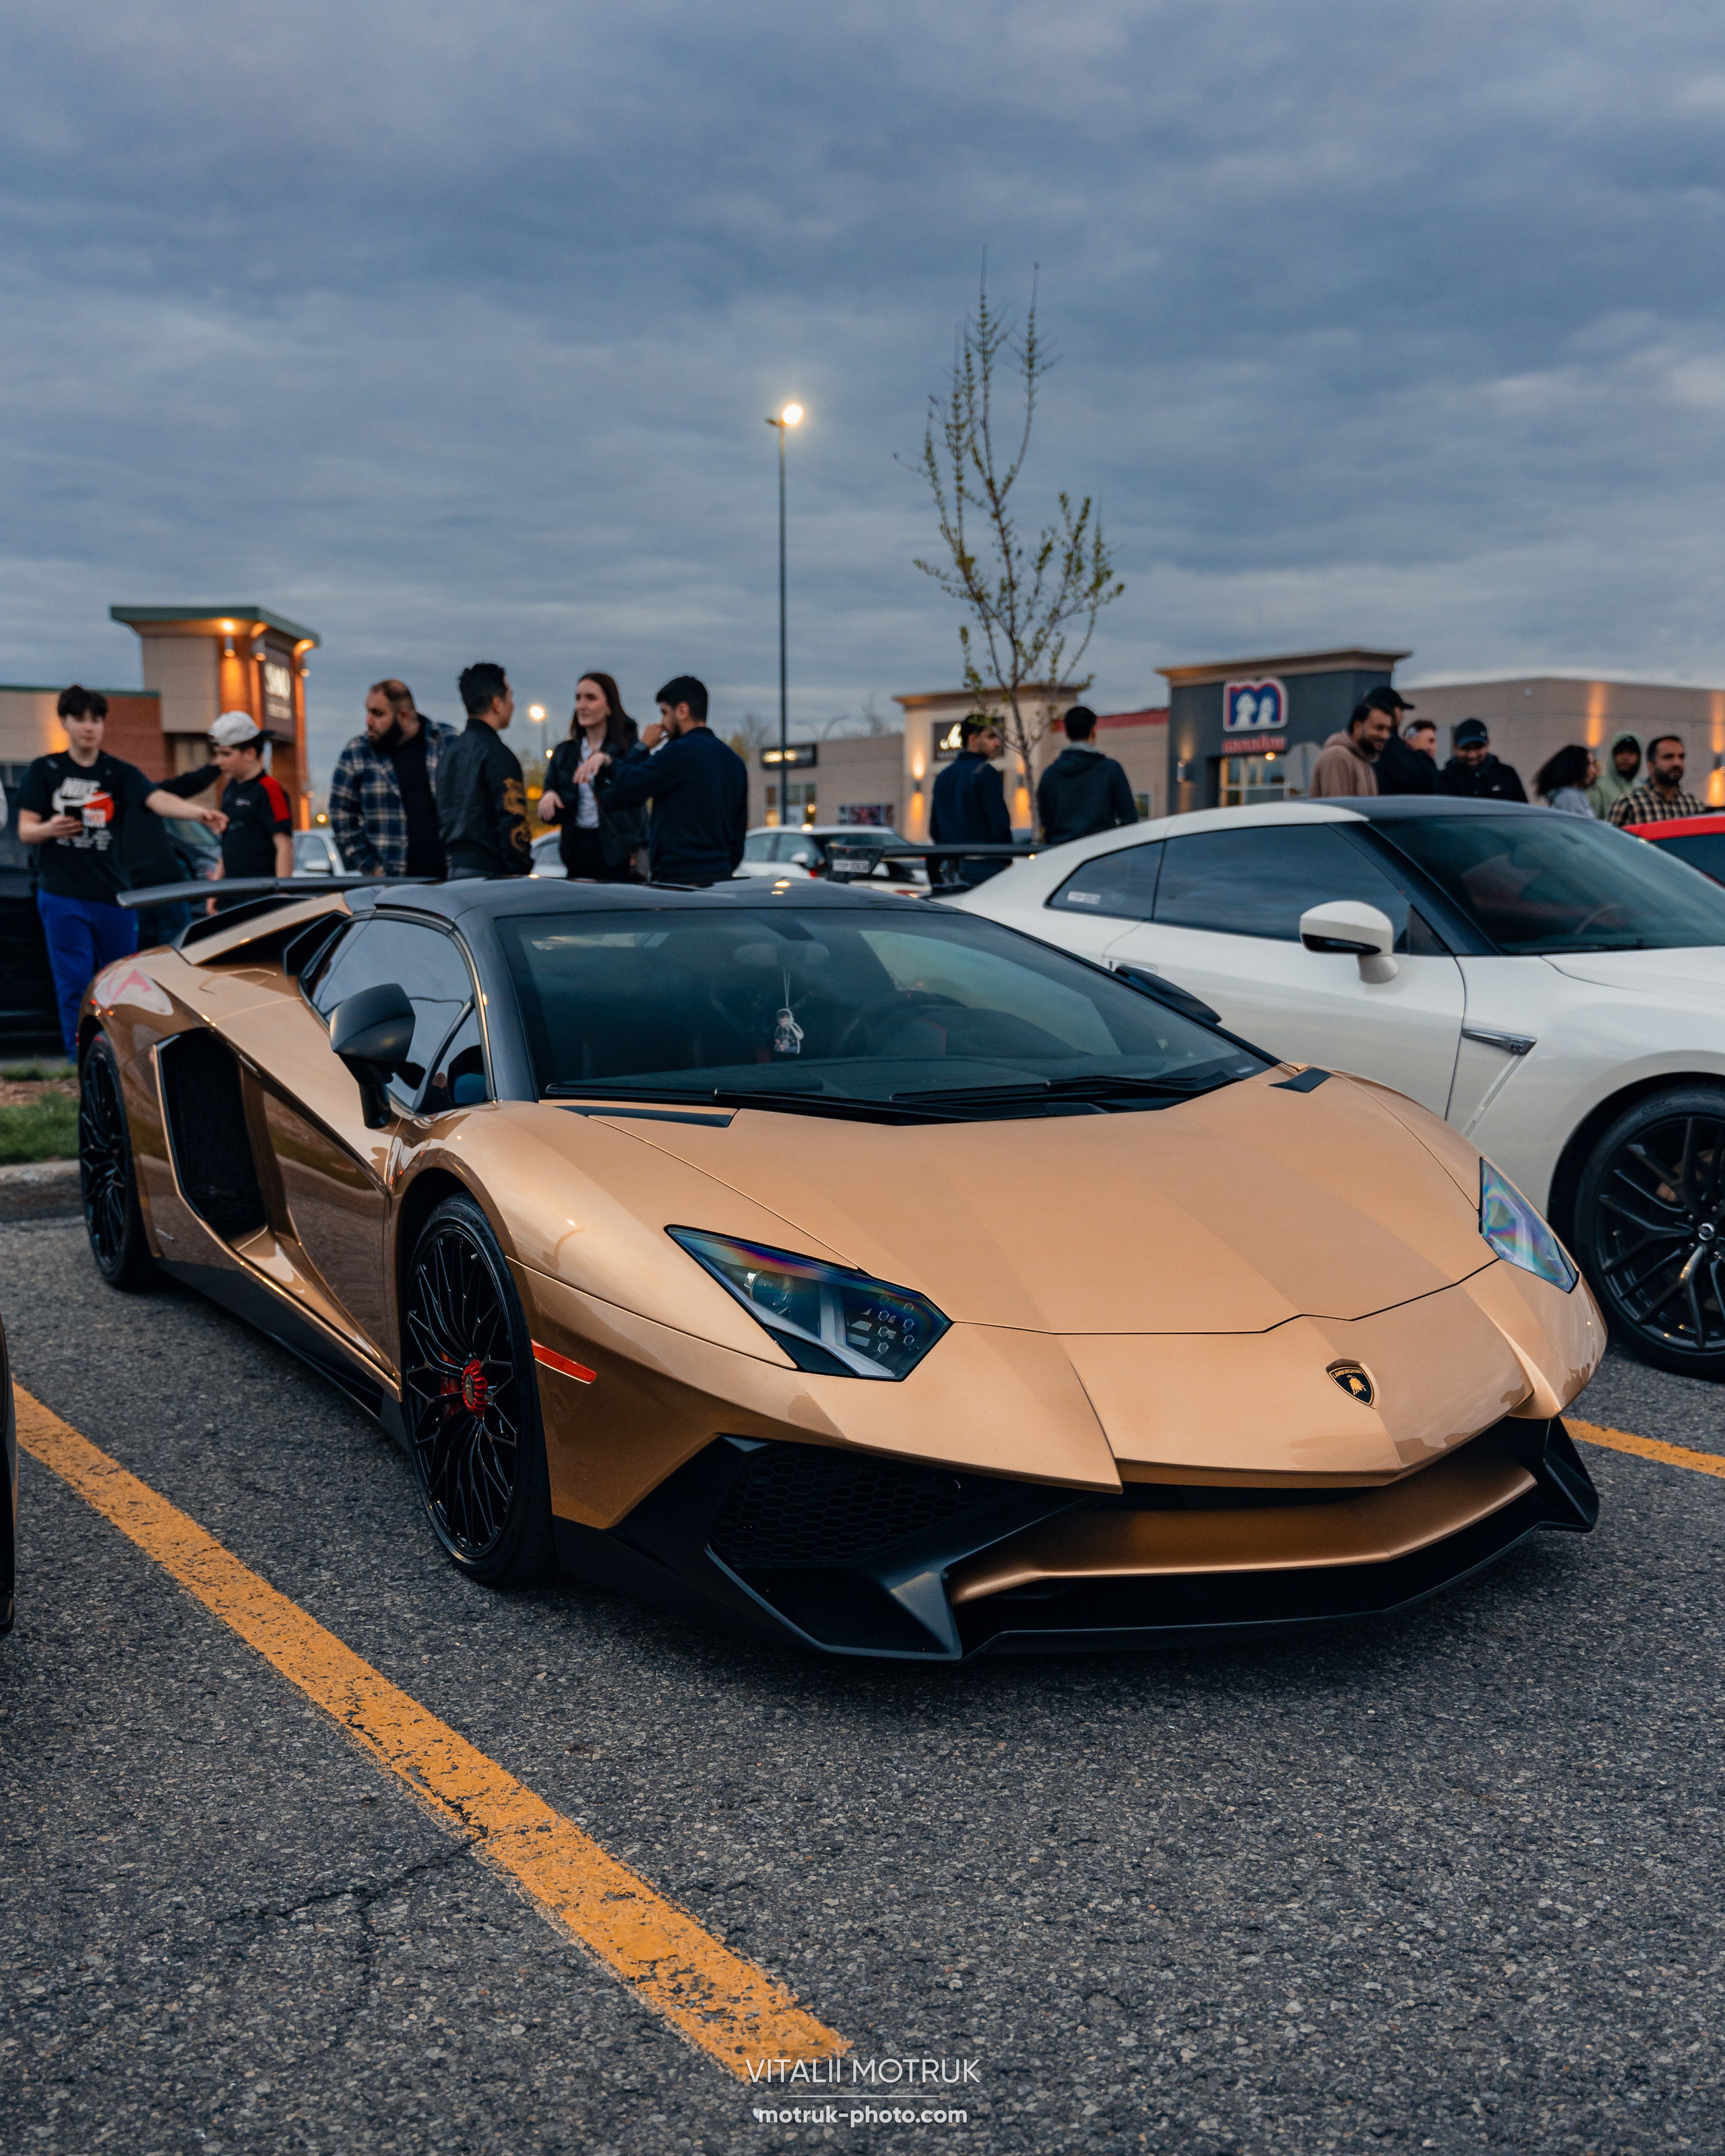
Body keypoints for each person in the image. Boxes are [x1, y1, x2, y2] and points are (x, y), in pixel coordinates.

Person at [16, 685, 225, 1058]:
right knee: (74, 982)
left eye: (96, 719)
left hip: (111, 895)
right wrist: (51, 829)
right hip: (62, 895)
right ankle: (78, 1059)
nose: (89, 727)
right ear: (64, 721)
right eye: (80, 718)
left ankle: (122, 1059)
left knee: (118, 983)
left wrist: (199, 813)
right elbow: (25, 829)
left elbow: (155, 798)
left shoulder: (118, 772)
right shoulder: (45, 770)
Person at [588, 676, 747, 887]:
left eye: (664, 713)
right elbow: (738, 834)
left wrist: (642, 747)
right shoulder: (734, 762)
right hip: (721, 878)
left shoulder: (676, 754)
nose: (661, 723)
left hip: (677, 879)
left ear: (682, 711)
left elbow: (625, 787)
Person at [327, 678, 458, 879]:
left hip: (451, 880)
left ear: (404, 716)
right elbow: (341, 815)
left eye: (377, 713)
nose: (368, 721)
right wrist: (371, 868)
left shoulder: (447, 741)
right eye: (368, 711)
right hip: (391, 887)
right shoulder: (357, 753)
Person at [538, 672, 646, 880]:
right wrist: (549, 797)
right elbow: (553, 795)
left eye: (591, 698)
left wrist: (606, 761)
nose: (582, 705)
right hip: (577, 851)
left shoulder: (628, 750)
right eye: (578, 698)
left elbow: (637, 790)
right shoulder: (564, 753)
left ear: (609, 707)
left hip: (619, 855)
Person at [437, 663, 533, 880]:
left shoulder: (449, 755)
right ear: (497, 703)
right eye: (510, 697)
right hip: (491, 876)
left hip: (454, 872)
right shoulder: (499, 755)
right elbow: (513, 826)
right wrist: (521, 870)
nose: (513, 705)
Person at [200, 714, 295, 906]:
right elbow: (228, 845)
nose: (218, 761)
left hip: (261, 897)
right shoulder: (230, 790)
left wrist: (282, 898)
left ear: (250, 753)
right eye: (217, 754)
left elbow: (284, 847)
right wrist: (214, 890)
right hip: (231, 895)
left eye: (226, 754)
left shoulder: (270, 790)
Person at [1035, 706, 1137, 844]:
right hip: (1101, 855)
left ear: (1066, 733)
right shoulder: (1111, 770)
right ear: (1093, 731)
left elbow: (1045, 822)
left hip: (1061, 855)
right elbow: (1129, 819)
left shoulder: (1050, 775)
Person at [930, 716, 1013, 885]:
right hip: (984, 865)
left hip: (950, 868)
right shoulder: (986, 773)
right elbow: (999, 824)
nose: (998, 743)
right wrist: (1006, 857)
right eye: (991, 737)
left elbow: (934, 828)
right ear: (973, 739)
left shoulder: (944, 776)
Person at [1608, 734, 1706, 826]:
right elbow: (1608, 842)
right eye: (1668, 757)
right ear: (1651, 766)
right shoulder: (1629, 804)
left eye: (1681, 757)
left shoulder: (1693, 805)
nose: (1677, 763)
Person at [1307, 699, 1393, 798]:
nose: (1385, 736)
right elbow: (1339, 809)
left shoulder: (1364, 761)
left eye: (1388, 730)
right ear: (1358, 727)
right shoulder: (1338, 756)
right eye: (1379, 728)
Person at [1361, 690, 1433, 796]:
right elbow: (1424, 782)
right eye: (1400, 711)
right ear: (1391, 712)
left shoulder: (1361, 745)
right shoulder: (1391, 747)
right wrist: (1419, 752)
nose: (1402, 717)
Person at [1435, 719, 1528, 801]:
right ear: (1455, 747)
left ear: (1487, 744)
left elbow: (1523, 813)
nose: (1472, 755)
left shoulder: (1507, 775)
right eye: (1466, 749)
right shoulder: (1444, 779)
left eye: (1477, 748)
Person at [1588, 731, 1643, 821]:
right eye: (1621, 752)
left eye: (1631, 753)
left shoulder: (1641, 789)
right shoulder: (1598, 786)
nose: (1625, 757)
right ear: (1612, 755)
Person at [1534, 744, 1598, 817]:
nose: (1593, 770)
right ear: (1574, 766)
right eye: (1588, 764)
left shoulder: (1576, 795)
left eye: (1593, 764)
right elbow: (1579, 827)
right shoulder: (1569, 798)